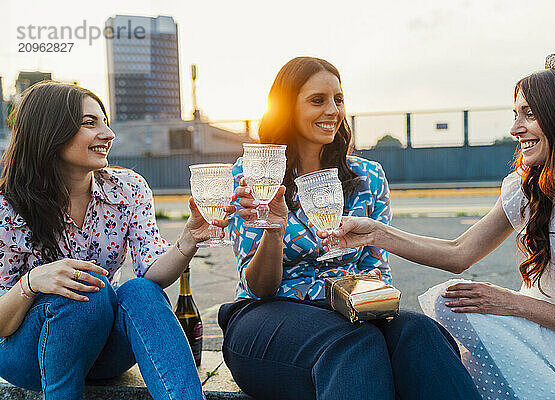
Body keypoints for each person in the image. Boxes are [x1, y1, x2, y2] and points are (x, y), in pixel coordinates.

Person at [319, 54, 555, 399]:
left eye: (529, 114)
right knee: (449, 302)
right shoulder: (527, 190)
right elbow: (459, 253)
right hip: (539, 336)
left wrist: (513, 303)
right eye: (515, 115)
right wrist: (376, 233)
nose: (515, 129)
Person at [218, 56, 481, 400]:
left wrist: (366, 305)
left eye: (338, 99)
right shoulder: (252, 175)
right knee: (355, 343)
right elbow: (260, 287)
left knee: (421, 333)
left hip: (350, 311)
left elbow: (375, 271)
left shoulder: (368, 177)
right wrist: (274, 230)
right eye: (318, 100)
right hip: (266, 316)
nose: (333, 110)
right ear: (285, 108)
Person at [0, 81, 233, 400]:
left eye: (105, 122)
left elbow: (152, 273)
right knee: (85, 290)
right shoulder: (7, 208)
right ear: (49, 130)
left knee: (140, 290)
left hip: (101, 349)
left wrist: (188, 239)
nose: (108, 134)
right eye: (89, 123)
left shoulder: (128, 188)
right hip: (26, 354)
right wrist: (32, 282)